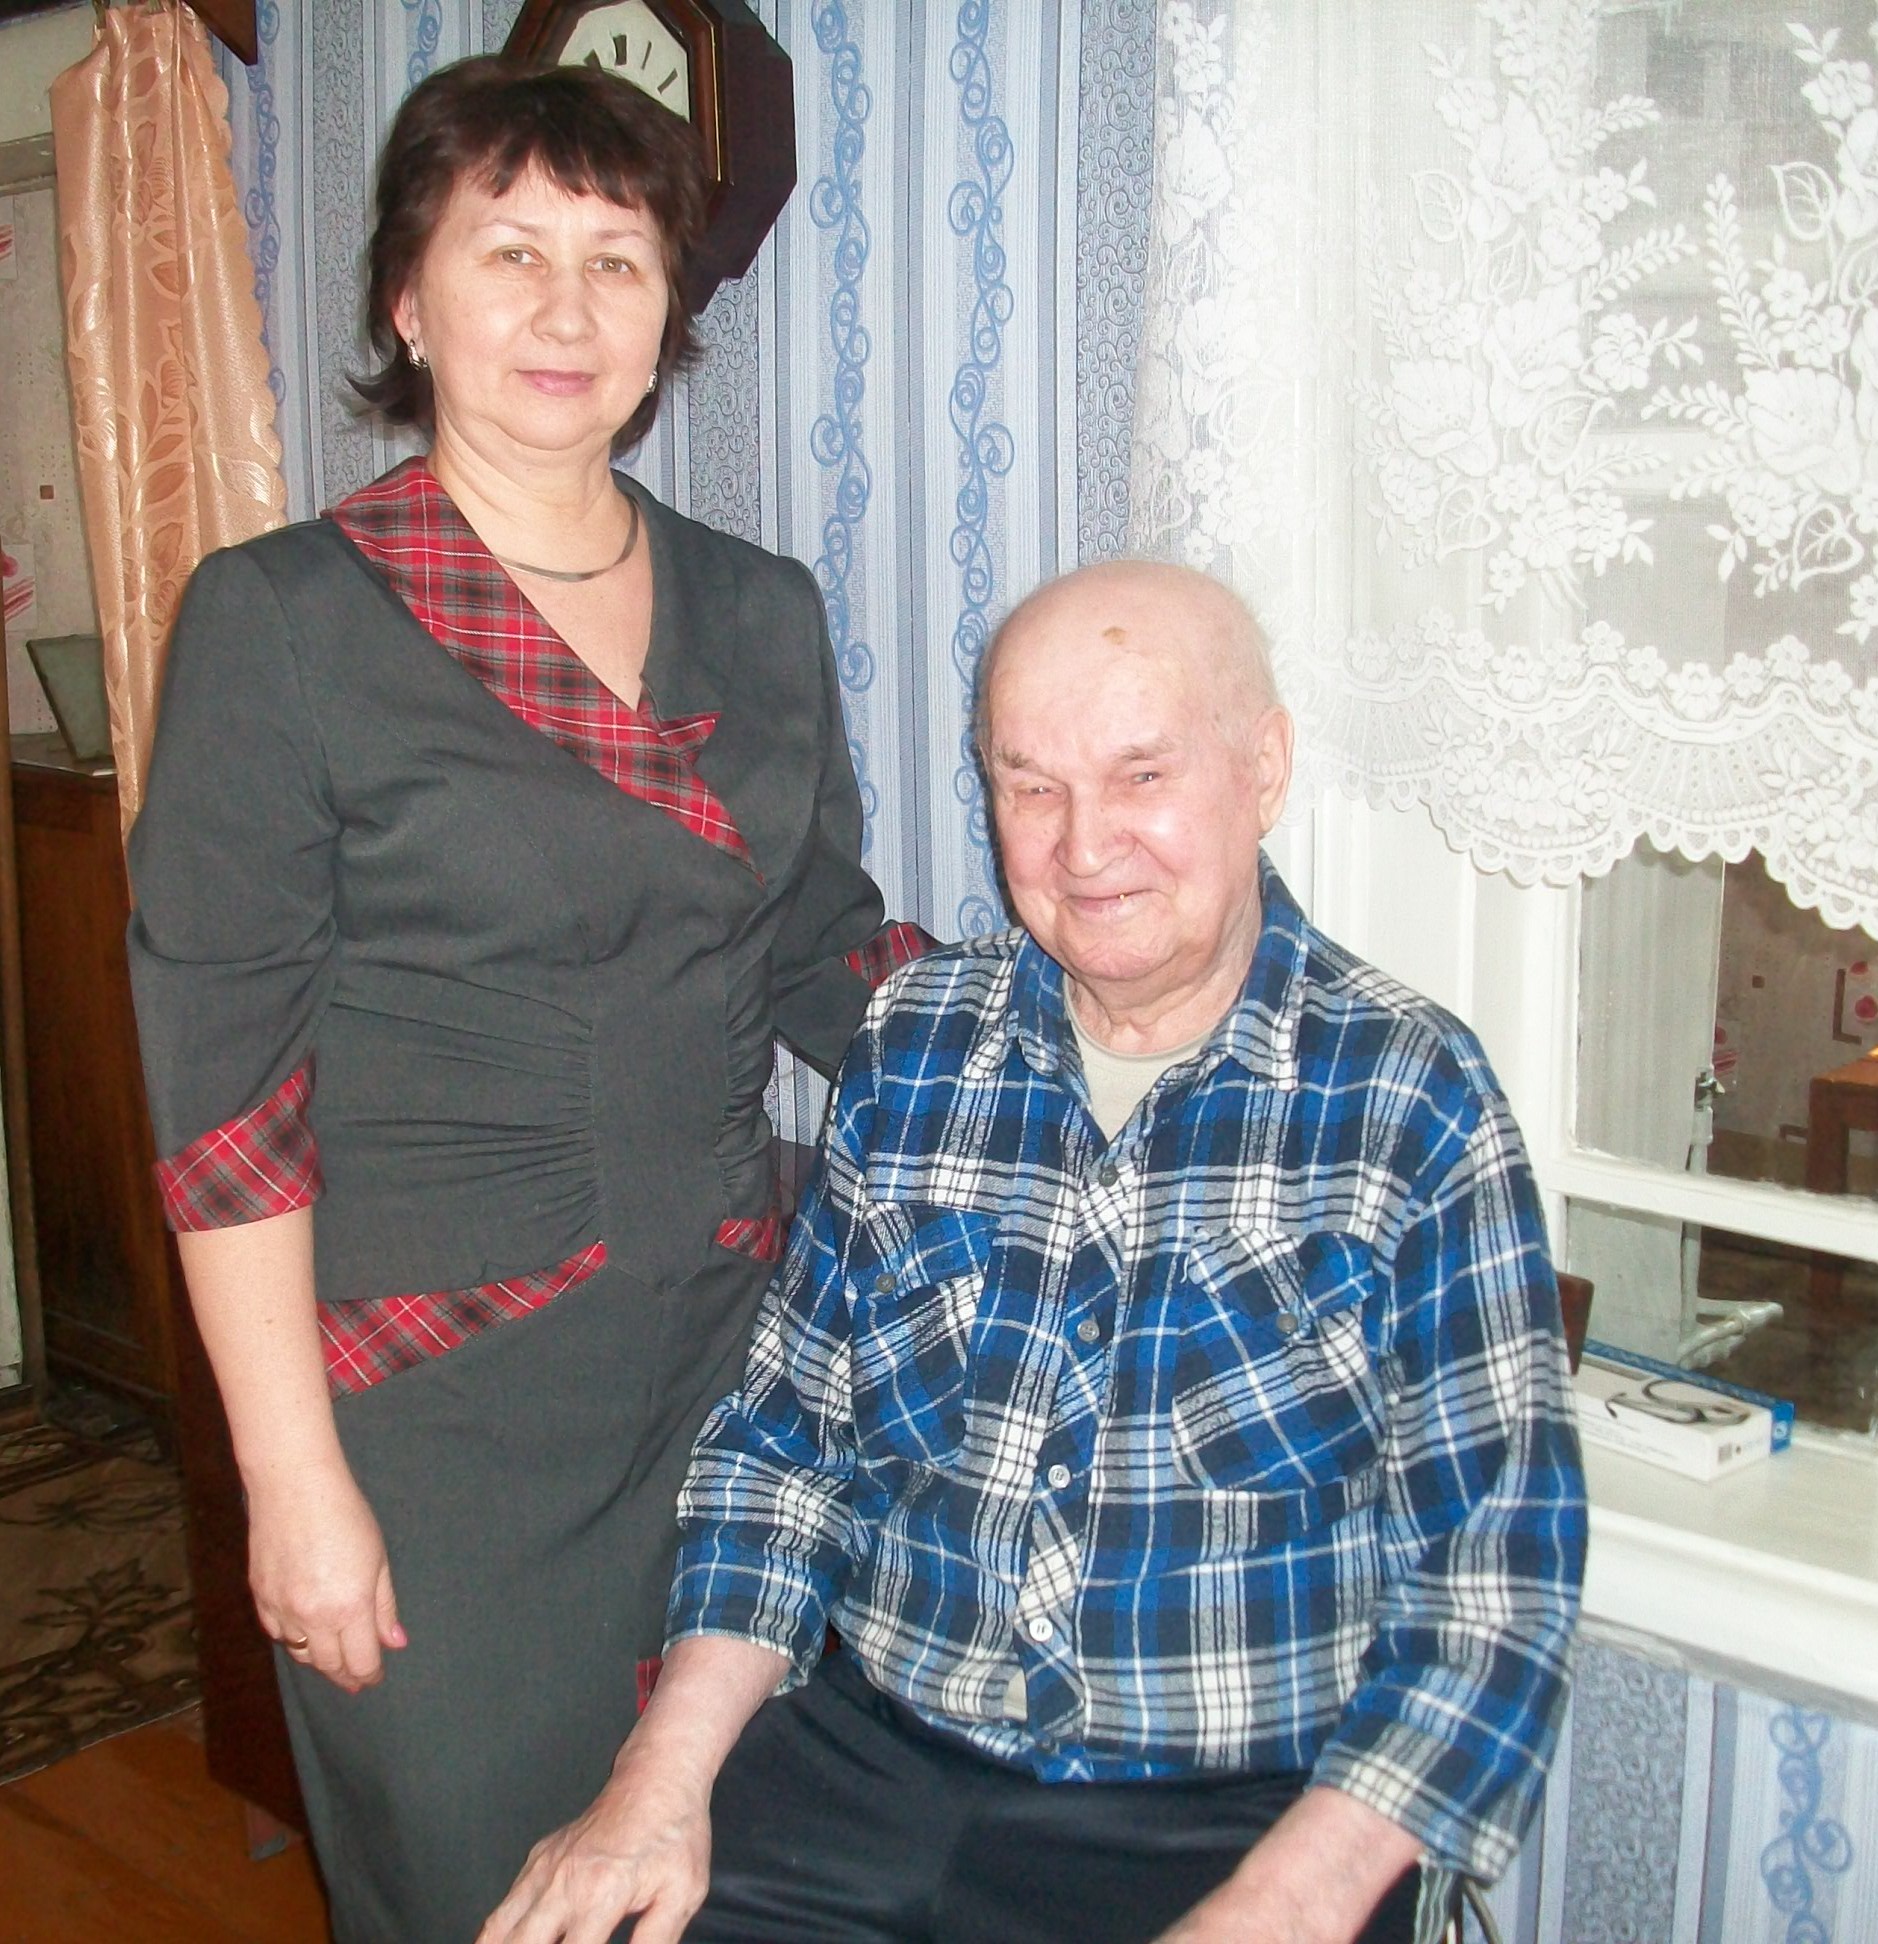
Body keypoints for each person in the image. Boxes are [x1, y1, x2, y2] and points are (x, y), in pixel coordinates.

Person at [481, 560, 1586, 1944]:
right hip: (871, 1763)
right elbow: (784, 1450)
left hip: (1239, 1821)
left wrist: (1281, 1907)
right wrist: (657, 1783)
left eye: (1141, 776)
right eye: (1031, 786)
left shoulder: (1409, 1097)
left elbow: (1495, 1582)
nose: (1083, 845)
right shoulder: (916, 1042)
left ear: (1262, 769)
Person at [126, 56, 928, 1943]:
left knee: (724, 1882)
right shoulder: (283, 622)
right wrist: (290, 1486)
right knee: (473, 1892)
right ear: (408, 302)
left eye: (617, 261)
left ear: (667, 315)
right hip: (434, 1416)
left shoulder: (761, 606)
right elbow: (227, 1107)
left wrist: (1092, 1033)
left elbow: (820, 950)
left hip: (728, 1386)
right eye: (510, 252)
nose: (568, 310)